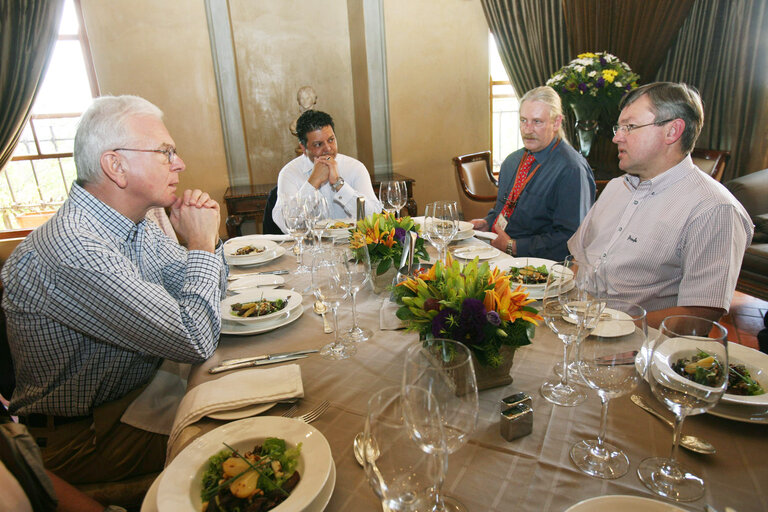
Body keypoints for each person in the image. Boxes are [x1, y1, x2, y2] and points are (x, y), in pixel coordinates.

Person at [0, 95, 227, 484]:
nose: (180, 163)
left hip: (136, 395)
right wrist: (203, 244)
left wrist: (204, 247)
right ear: (115, 165)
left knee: (242, 392)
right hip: (83, 437)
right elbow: (195, 336)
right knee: (238, 436)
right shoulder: (73, 247)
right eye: (165, 152)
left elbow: (204, 293)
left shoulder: (133, 222)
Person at [568, 82, 754, 327]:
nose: (616, 137)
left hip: (636, 348)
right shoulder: (616, 187)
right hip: (574, 323)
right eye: (619, 127)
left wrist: (609, 326)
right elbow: (577, 261)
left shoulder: (714, 209)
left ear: (672, 131)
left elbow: (698, 316)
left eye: (629, 127)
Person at [470, 86, 595, 261]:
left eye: (537, 122)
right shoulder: (512, 161)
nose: (527, 130)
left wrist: (513, 246)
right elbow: (504, 209)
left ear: (556, 122)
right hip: (498, 254)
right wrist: (487, 223)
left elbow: (573, 239)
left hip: (541, 269)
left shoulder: (572, 169)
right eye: (523, 120)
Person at [272, 109, 381, 232]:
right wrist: (312, 183)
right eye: (318, 144)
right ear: (303, 147)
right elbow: (285, 224)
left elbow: (374, 218)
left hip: (351, 246)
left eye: (331, 140)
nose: (328, 148)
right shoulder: (289, 173)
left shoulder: (355, 168)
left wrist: (339, 184)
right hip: (310, 247)